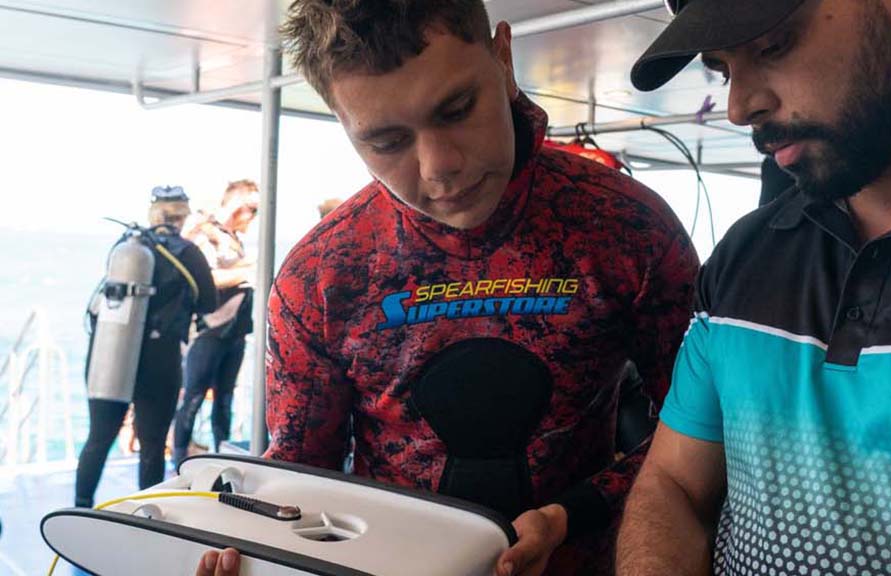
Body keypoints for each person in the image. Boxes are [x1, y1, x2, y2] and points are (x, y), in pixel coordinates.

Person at [195, 1, 699, 575]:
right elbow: (301, 474)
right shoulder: (322, 274)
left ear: (503, 59)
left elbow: (700, 438)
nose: (439, 167)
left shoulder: (626, 227)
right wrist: (253, 552)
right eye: (387, 141)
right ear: (342, 122)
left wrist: (571, 514)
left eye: (458, 109)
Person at [618, 0, 891, 574]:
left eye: (772, 45)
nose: (739, 107)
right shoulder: (746, 255)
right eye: (723, 69)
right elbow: (676, 483)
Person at [76, 186, 216, 508]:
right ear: (183, 216)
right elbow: (208, 301)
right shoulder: (188, 252)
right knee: (152, 444)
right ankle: (145, 518)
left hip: (111, 352)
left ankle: (81, 507)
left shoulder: (126, 247)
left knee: (98, 438)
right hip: (159, 358)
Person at [173, 180, 259, 465]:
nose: (255, 217)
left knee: (225, 401)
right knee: (193, 398)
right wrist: (249, 271)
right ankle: (179, 460)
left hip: (234, 332)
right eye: (252, 209)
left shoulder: (234, 239)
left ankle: (224, 459)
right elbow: (206, 279)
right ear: (238, 208)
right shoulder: (207, 235)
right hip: (209, 331)